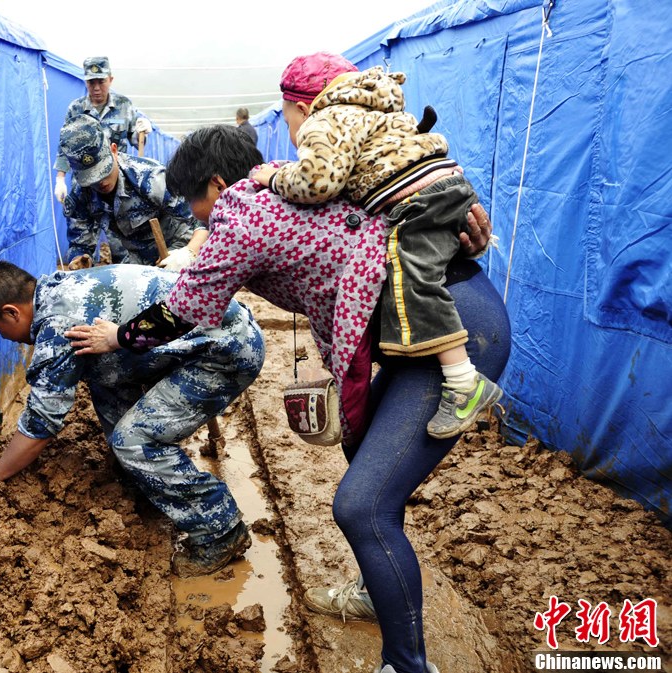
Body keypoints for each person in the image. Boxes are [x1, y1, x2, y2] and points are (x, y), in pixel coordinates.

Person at [66, 125, 510, 673]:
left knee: (361, 506)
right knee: (361, 452)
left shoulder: (241, 216)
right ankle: (379, 594)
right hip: (419, 327)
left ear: (217, 184)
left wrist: (116, 337)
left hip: (453, 330)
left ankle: (406, 666)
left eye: (194, 203)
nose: (197, 218)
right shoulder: (280, 185)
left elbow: (183, 311)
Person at [254, 52, 503, 439]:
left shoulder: (327, 120)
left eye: (288, 123)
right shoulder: (374, 115)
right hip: (440, 190)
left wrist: (274, 178)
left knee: (411, 274)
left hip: (420, 207)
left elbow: (317, 181)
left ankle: (463, 382)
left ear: (302, 109)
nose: (291, 137)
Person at [0, 260, 264, 577]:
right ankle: (146, 480)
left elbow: (41, 421)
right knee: (102, 375)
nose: (5, 338)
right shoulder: (57, 290)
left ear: (12, 312)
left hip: (224, 351)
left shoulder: (59, 325)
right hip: (213, 332)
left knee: (134, 441)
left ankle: (220, 531)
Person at [59, 115, 206, 271]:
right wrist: (80, 259)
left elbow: (203, 219)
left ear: (114, 150)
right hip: (134, 261)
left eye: (104, 171)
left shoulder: (150, 178)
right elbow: (79, 244)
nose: (100, 181)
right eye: (91, 178)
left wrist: (189, 253)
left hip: (176, 249)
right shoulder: (80, 196)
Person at [53, 56, 152, 204]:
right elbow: (65, 147)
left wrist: (141, 132)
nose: (96, 88)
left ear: (110, 80)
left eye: (101, 81)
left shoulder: (124, 105)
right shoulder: (76, 109)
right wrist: (60, 179)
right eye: (91, 82)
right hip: (85, 183)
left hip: (116, 183)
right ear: (85, 82)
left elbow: (137, 142)